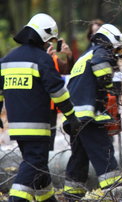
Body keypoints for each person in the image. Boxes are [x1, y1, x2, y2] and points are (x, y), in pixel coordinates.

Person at [0, 13, 81, 201]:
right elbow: (58, 92)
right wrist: (72, 117)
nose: (50, 44)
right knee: (33, 163)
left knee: (40, 168)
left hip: (17, 126)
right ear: (44, 36)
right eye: (50, 39)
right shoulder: (42, 60)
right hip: (38, 126)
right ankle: (16, 199)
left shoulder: (7, 60)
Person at [62, 24, 122, 201]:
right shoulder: (101, 52)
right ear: (112, 40)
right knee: (103, 151)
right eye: (117, 48)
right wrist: (110, 85)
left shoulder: (86, 55)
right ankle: (117, 193)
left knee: (79, 158)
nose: (117, 53)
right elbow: (102, 70)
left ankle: (72, 195)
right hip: (88, 117)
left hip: (75, 118)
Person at [46, 38, 75, 151]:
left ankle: (47, 164)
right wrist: (45, 59)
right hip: (37, 104)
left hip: (51, 106)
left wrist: (69, 55)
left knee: (51, 135)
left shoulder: (54, 59)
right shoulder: (33, 59)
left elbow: (68, 70)